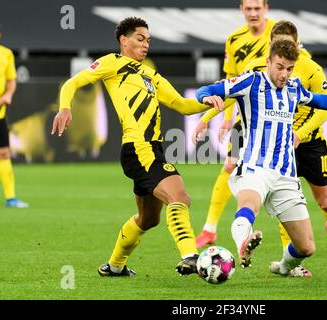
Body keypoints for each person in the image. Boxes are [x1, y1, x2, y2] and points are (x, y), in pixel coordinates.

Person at [196, 40, 327, 276]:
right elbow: (206, 90)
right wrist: (205, 99)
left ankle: (283, 267)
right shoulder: (250, 82)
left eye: (289, 68)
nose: (284, 74)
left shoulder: (294, 88)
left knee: (306, 247)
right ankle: (243, 243)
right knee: (247, 206)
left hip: (286, 175)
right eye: (280, 67)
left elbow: (320, 100)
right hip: (255, 167)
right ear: (268, 62)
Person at [51, 17, 215, 277]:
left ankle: (115, 266)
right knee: (179, 197)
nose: (145, 44)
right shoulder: (111, 64)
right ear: (123, 40)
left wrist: (213, 101)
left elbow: (183, 105)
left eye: (148, 40)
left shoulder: (150, 74)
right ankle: (190, 256)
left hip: (152, 150)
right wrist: (65, 107)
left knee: (149, 219)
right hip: (139, 148)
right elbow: (72, 83)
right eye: (140, 39)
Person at [195, 0, 276, 248]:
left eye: (257, 8)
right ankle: (210, 228)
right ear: (242, 9)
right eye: (248, 9)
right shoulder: (234, 39)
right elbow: (232, 82)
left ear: (266, 8)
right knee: (229, 165)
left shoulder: (279, 33)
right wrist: (226, 119)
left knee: (282, 178)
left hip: (275, 117)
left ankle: (295, 250)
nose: (253, 13)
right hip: (246, 115)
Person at [0, 20, 28, 208]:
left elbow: (11, 81)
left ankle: (10, 198)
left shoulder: (6, 54)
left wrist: (7, 95)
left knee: (4, 153)